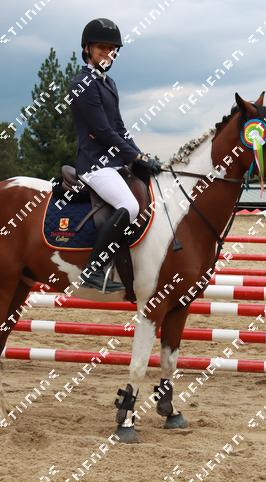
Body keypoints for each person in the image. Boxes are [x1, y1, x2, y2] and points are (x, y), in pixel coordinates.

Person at [69, 18, 161, 292]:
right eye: (102, 48)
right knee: (130, 206)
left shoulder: (109, 83)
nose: (107, 54)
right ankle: (93, 270)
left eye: (111, 49)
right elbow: (103, 131)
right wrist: (134, 157)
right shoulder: (82, 83)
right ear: (87, 49)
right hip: (94, 164)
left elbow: (119, 128)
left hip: (114, 163)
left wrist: (140, 156)